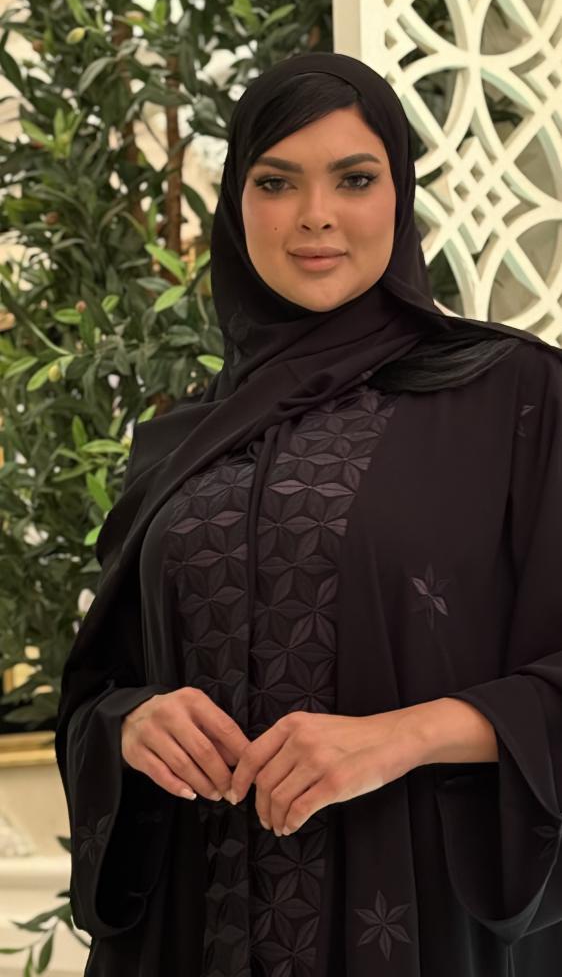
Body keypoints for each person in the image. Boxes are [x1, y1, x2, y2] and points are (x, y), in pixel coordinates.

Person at [55, 51, 562, 976]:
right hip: (193, 925)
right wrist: (132, 725)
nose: (315, 214)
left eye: (354, 179)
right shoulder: (179, 440)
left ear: (400, 195)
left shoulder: (515, 397)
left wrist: (404, 737)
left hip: (412, 918)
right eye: (276, 182)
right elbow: (100, 688)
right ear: (236, 205)